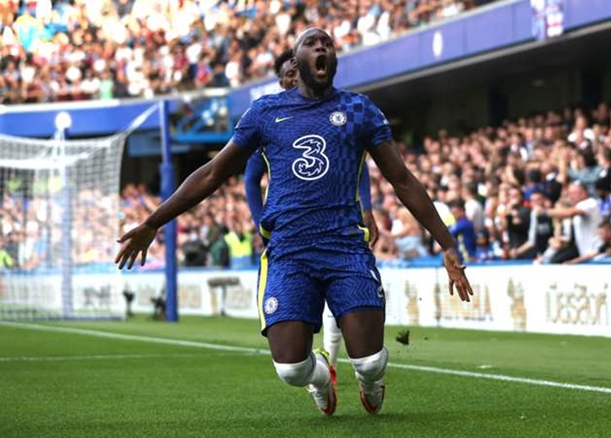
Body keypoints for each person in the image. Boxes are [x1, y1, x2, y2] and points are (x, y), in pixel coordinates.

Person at [116, 28, 473, 417]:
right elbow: (213, 173)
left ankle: (371, 380)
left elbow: (402, 180)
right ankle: (321, 380)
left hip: (345, 247)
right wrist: (153, 222)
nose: (321, 47)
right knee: (290, 369)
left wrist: (447, 244)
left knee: (369, 361)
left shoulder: (358, 109)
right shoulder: (265, 113)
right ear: (296, 59)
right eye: (311, 43)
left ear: (334, 59)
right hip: (288, 252)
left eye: (327, 44)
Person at [243, 48, 379, 385]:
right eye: (288, 74)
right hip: (294, 237)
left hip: (340, 230)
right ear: (282, 82)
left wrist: (367, 207)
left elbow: (358, 165)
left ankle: (355, 365)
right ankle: (323, 371)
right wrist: (261, 222)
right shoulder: (270, 118)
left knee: (347, 303)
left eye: (296, 70)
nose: (294, 77)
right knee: (291, 366)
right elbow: (249, 178)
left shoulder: (343, 110)